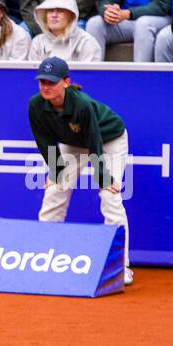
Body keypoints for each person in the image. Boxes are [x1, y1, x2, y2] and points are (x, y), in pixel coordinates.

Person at [28, 56, 133, 284]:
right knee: (55, 189)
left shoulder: (82, 104)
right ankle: (45, 256)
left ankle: (119, 267)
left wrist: (104, 178)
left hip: (108, 139)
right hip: (74, 142)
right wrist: (55, 171)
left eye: (51, 83)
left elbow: (94, 140)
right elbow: (44, 141)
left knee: (109, 196)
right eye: (42, 82)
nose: (46, 87)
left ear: (66, 82)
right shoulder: (35, 105)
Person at [26, 0, 101, 63]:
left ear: (71, 16)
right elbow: (32, 74)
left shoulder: (86, 42)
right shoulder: (38, 42)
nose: (54, 15)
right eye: (51, 10)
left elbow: (89, 75)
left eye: (60, 11)